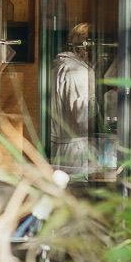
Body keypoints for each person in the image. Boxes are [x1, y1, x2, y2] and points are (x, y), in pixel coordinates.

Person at [50, 21, 97, 175]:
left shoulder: (61, 66)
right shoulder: (76, 71)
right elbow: (81, 117)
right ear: (84, 46)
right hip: (75, 149)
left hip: (65, 145)